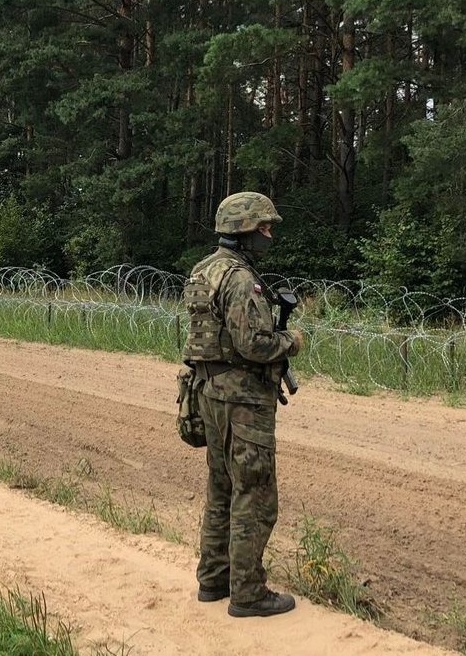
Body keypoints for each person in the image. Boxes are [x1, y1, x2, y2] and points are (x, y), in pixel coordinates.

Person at [182, 191, 304, 618]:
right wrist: (291, 340)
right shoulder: (238, 278)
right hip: (241, 401)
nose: (269, 234)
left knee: (221, 489)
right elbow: (253, 343)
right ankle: (248, 593)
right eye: (263, 228)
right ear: (243, 231)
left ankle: (212, 581)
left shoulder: (204, 271)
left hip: (208, 393)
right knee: (254, 495)